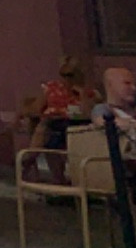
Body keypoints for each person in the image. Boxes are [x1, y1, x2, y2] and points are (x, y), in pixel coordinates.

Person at [20, 56, 97, 184]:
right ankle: (56, 176)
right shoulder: (52, 88)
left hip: (77, 125)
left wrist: (82, 94)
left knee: (48, 130)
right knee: (48, 129)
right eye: (64, 75)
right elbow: (36, 108)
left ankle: (30, 158)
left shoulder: (89, 93)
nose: (67, 79)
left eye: (70, 75)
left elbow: (90, 114)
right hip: (54, 122)